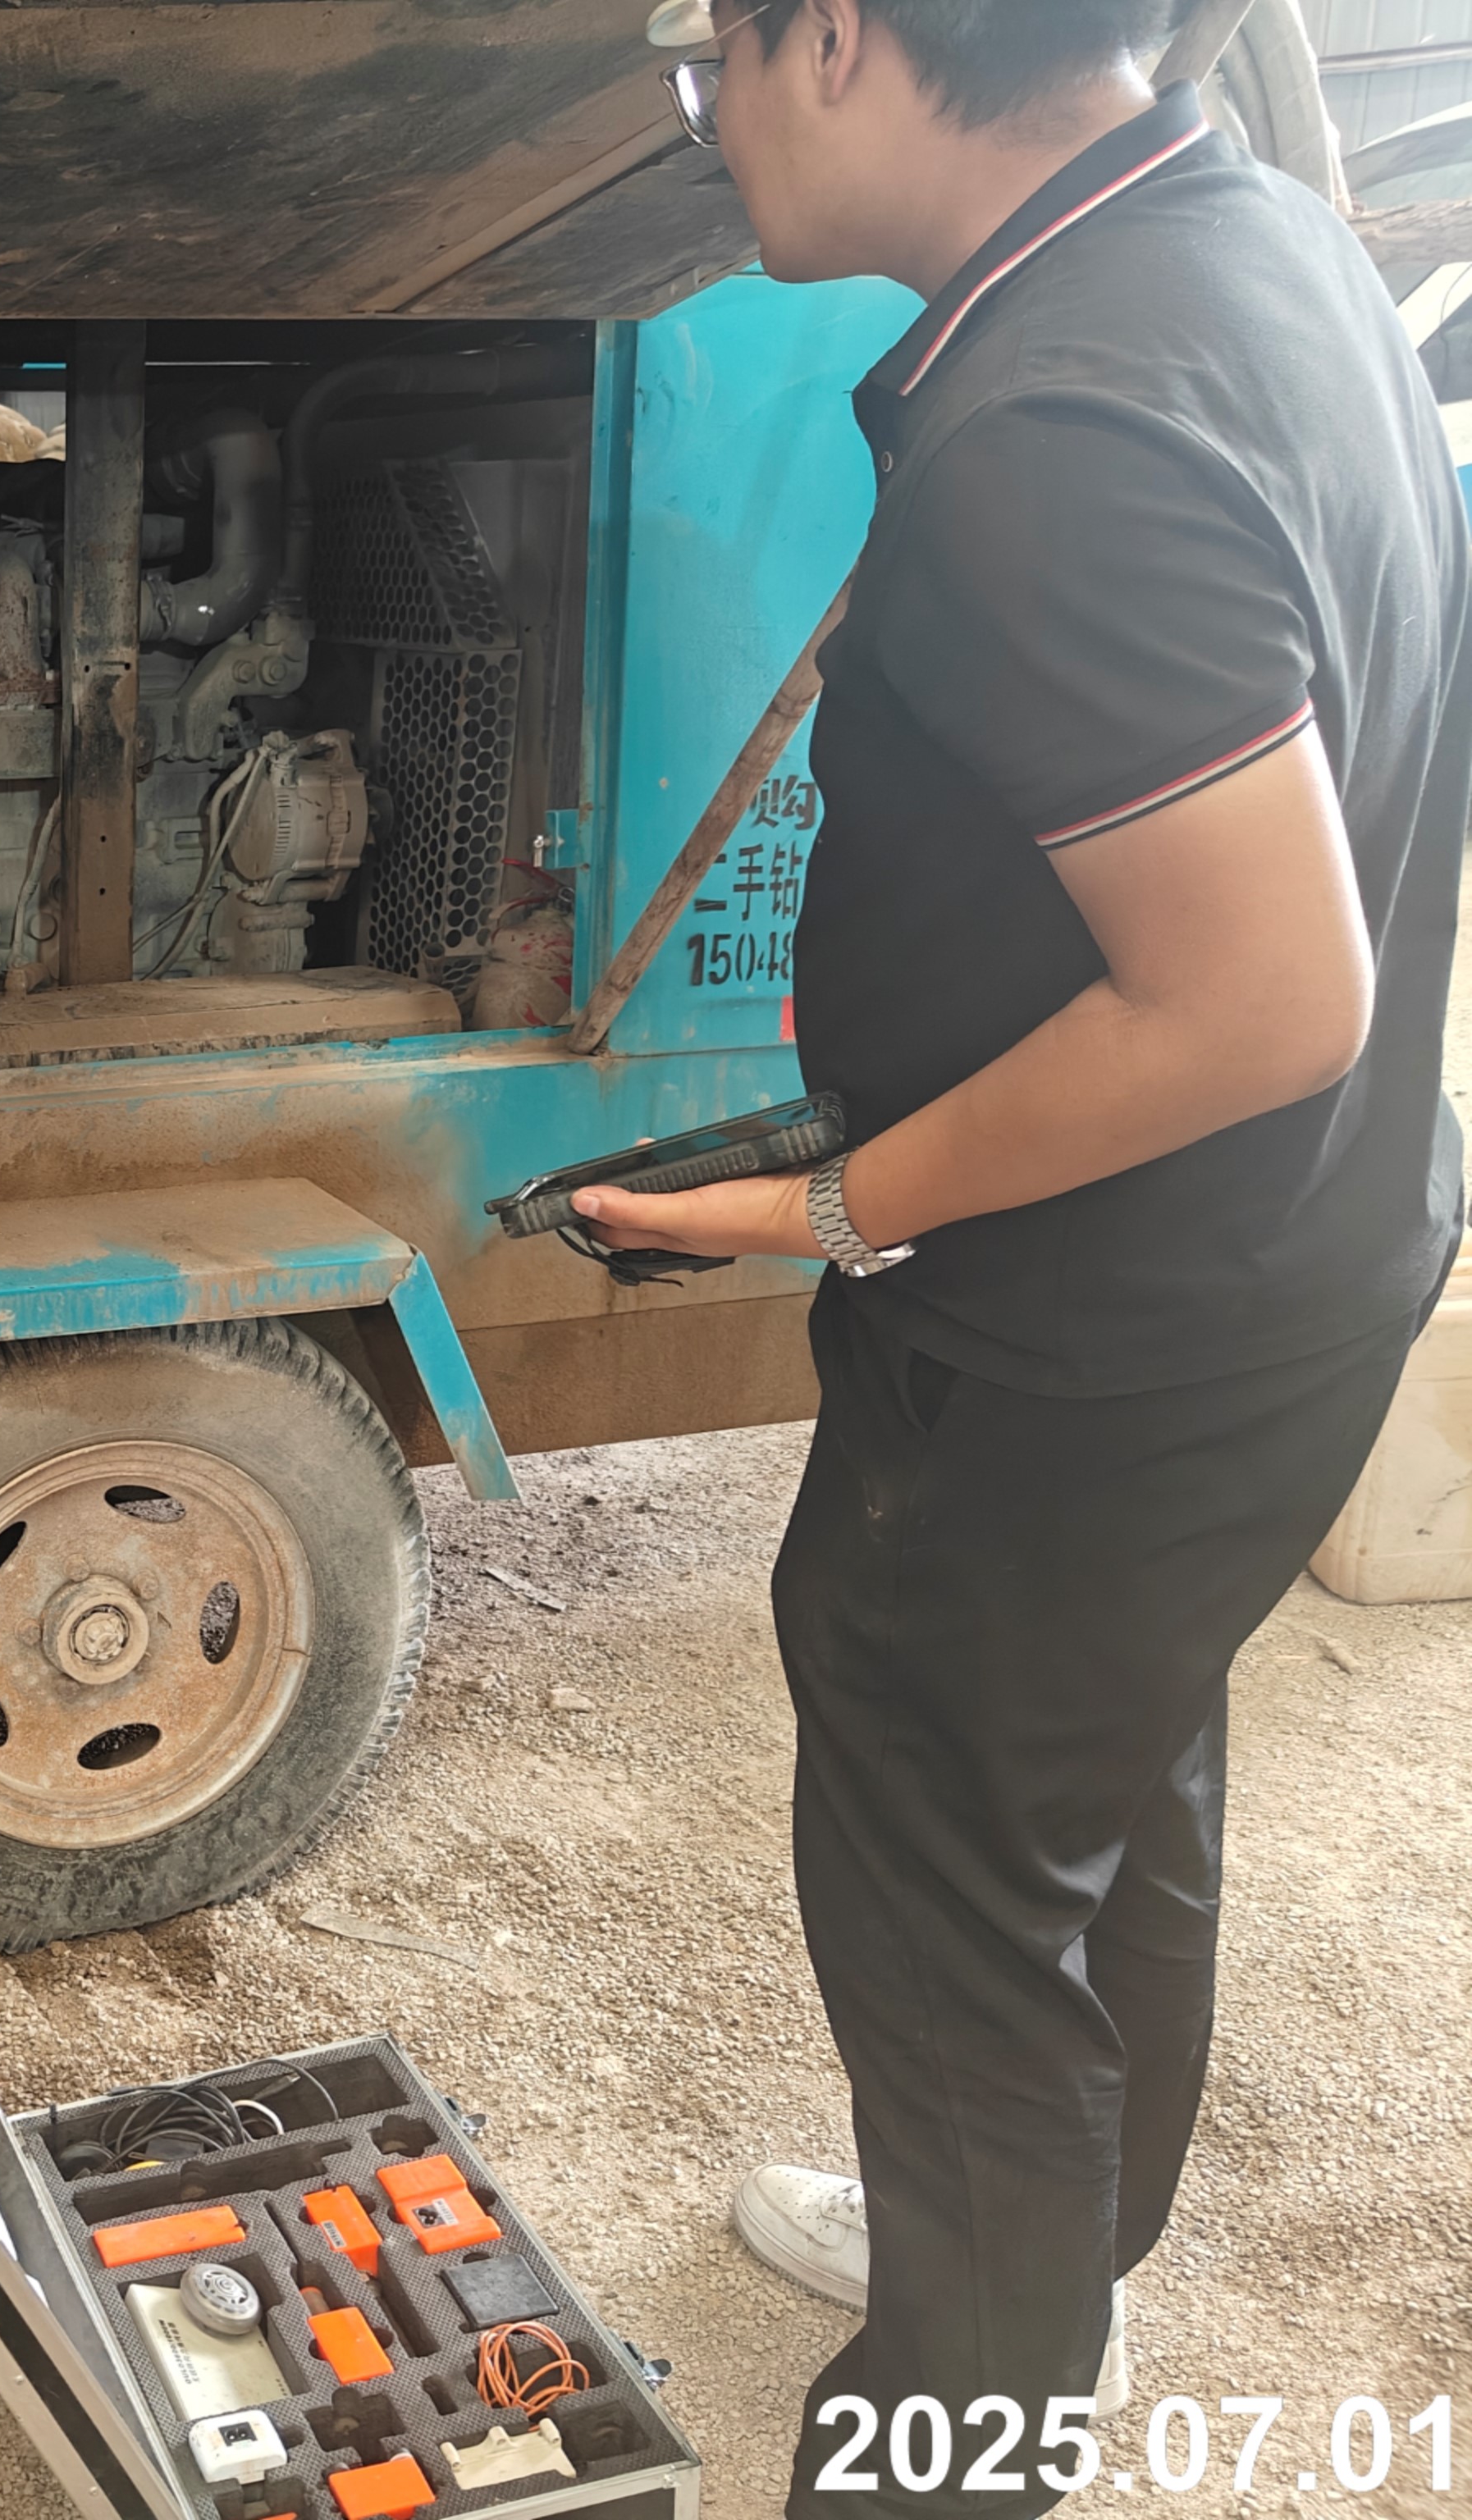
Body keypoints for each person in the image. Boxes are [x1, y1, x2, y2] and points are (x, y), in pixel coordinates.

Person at [580, 3, 1470, 2513]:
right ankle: (1068, 2251)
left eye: (705, 62)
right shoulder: (1256, 240)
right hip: (1282, 1273)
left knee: (952, 1899)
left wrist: (840, 1203)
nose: (703, 123)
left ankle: (956, 2430)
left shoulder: (1062, 421)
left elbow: (1265, 996)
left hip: (1091, 1336)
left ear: (839, 35)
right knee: (1108, 1767)